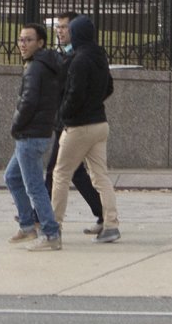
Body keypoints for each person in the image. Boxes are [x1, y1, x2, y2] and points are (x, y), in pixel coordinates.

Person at [49, 14, 121, 243]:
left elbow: (74, 94)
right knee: (101, 176)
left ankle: (54, 227)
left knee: (60, 174)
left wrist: (64, 115)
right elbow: (109, 86)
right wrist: (94, 102)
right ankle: (111, 224)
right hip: (100, 123)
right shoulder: (99, 56)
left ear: (77, 34)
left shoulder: (78, 60)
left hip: (79, 126)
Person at [1, 22, 66, 251]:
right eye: (20, 39)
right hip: (38, 133)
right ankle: (28, 225)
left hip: (29, 134)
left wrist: (16, 126)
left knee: (35, 187)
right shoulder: (45, 64)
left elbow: (28, 102)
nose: (22, 44)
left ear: (40, 43)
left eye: (28, 40)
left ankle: (50, 233)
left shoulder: (36, 67)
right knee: (12, 177)